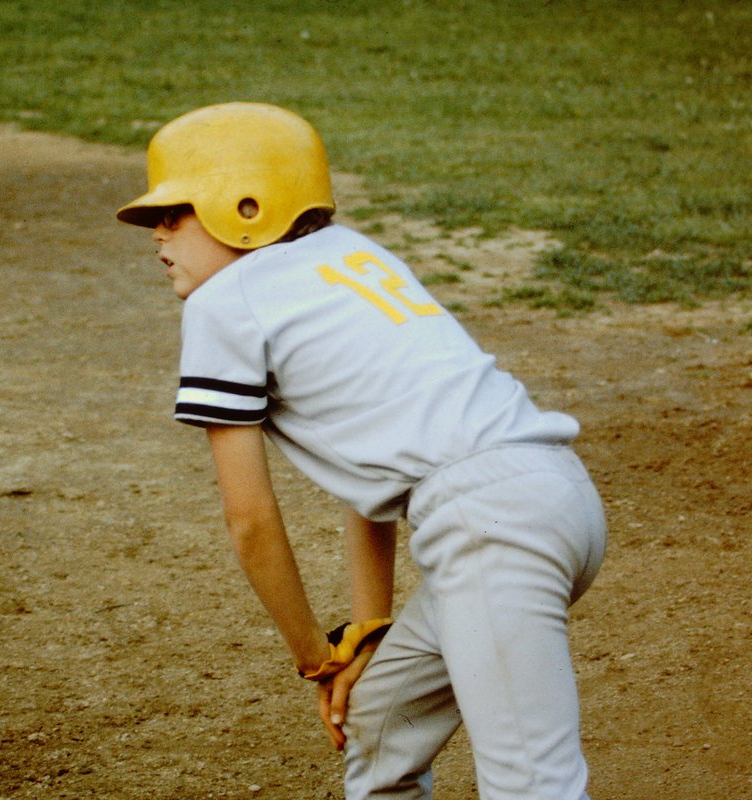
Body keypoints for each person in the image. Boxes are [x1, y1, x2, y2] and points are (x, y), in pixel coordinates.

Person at [116, 102, 607, 800]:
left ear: (244, 206)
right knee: (379, 718)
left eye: (174, 214)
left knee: (533, 786)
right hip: (553, 498)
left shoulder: (222, 303)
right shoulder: (352, 255)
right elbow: (371, 477)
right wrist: (369, 630)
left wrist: (317, 659)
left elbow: (250, 520)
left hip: (490, 528)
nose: (158, 235)